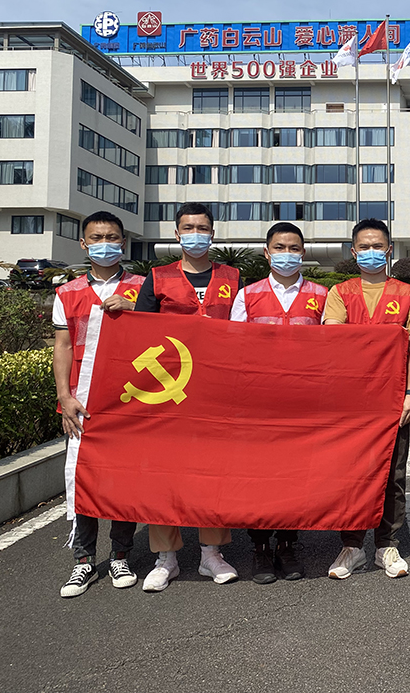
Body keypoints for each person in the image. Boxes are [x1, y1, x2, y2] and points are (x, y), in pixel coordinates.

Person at [133, 202, 240, 592]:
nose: (196, 233)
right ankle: (167, 558)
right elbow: (139, 331)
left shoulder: (233, 276)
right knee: (166, 474)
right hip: (168, 392)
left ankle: (212, 553)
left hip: (216, 392)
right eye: (188, 227)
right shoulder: (157, 277)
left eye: (203, 227)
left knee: (214, 471)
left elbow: (245, 332)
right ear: (177, 234)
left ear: (213, 233)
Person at [322, 219, 410, 580]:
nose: (371, 252)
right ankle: (352, 545)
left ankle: (386, 544)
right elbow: (335, 341)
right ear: (354, 252)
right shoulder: (340, 293)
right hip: (351, 400)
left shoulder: (407, 294)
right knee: (350, 473)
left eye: (377, 246)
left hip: (394, 396)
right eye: (364, 246)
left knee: (393, 473)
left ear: (388, 250)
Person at [230, 221, 328, 584]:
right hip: (259, 402)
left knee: (295, 476)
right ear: (267, 252)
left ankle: (288, 544)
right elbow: (235, 348)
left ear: (303, 253)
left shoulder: (321, 295)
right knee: (258, 476)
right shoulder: (247, 295)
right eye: (280, 247)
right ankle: (260, 549)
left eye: (294, 248)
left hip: (303, 402)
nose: (287, 254)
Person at [54, 211, 145, 598]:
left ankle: (121, 554)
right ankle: (83, 561)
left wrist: (135, 310)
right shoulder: (68, 291)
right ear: (84, 243)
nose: (104, 243)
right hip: (83, 402)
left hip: (130, 401)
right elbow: (62, 345)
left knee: (124, 479)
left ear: (122, 242)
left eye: (112, 237)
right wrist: (64, 395)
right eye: (97, 237)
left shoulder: (142, 287)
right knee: (85, 479)